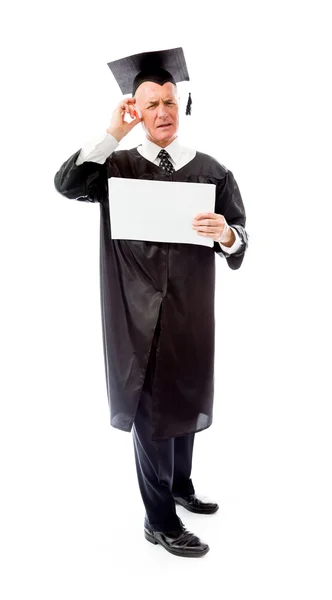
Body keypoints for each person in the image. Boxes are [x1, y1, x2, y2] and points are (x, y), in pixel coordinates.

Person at [54, 47, 248, 558]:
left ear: (180, 105)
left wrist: (226, 234)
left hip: (190, 313)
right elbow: (66, 184)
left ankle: (179, 487)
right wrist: (111, 133)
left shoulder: (210, 170)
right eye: (150, 103)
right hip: (133, 317)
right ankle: (158, 520)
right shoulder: (115, 167)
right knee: (152, 414)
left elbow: (241, 236)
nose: (162, 111)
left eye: (170, 101)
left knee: (185, 398)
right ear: (134, 110)